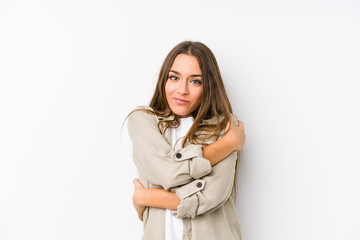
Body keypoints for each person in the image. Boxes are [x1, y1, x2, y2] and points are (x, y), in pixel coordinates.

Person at [126, 41, 245, 240]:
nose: (182, 90)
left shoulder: (224, 126)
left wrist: (147, 196)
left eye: (195, 81)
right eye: (174, 77)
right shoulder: (143, 120)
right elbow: (168, 173)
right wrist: (226, 145)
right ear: (164, 79)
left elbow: (210, 196)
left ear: (209, 86)